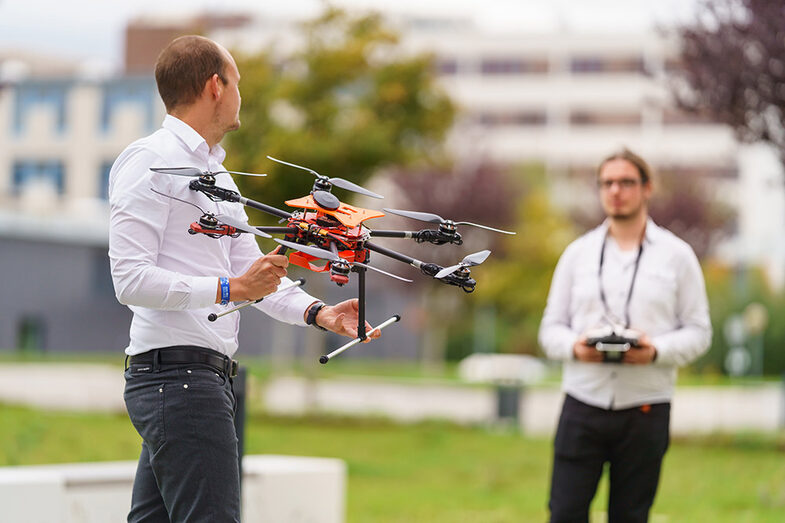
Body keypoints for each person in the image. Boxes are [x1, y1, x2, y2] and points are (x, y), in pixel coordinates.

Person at [109, 35, 379, 522]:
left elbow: (257, 278)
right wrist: (232, 288)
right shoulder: (148, 161)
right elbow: (129, 280)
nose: (240, 95)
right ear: (216, 86)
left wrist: (321, 313)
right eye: (238, 83)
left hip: (193, 381)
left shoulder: (220, 178)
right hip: (178, 380)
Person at [538, 148, 711, 522]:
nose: (616, 190)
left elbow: (700, 331)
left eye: (626, 182)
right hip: (583, 402)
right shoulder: (576, 254)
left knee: (631, 515)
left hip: (645, 406)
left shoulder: (678, 256)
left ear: (647, 188)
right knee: (564, 512)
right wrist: (575, 347)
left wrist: (655, 351)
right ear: (600, 189)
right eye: (608, 183)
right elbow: (550, 329)